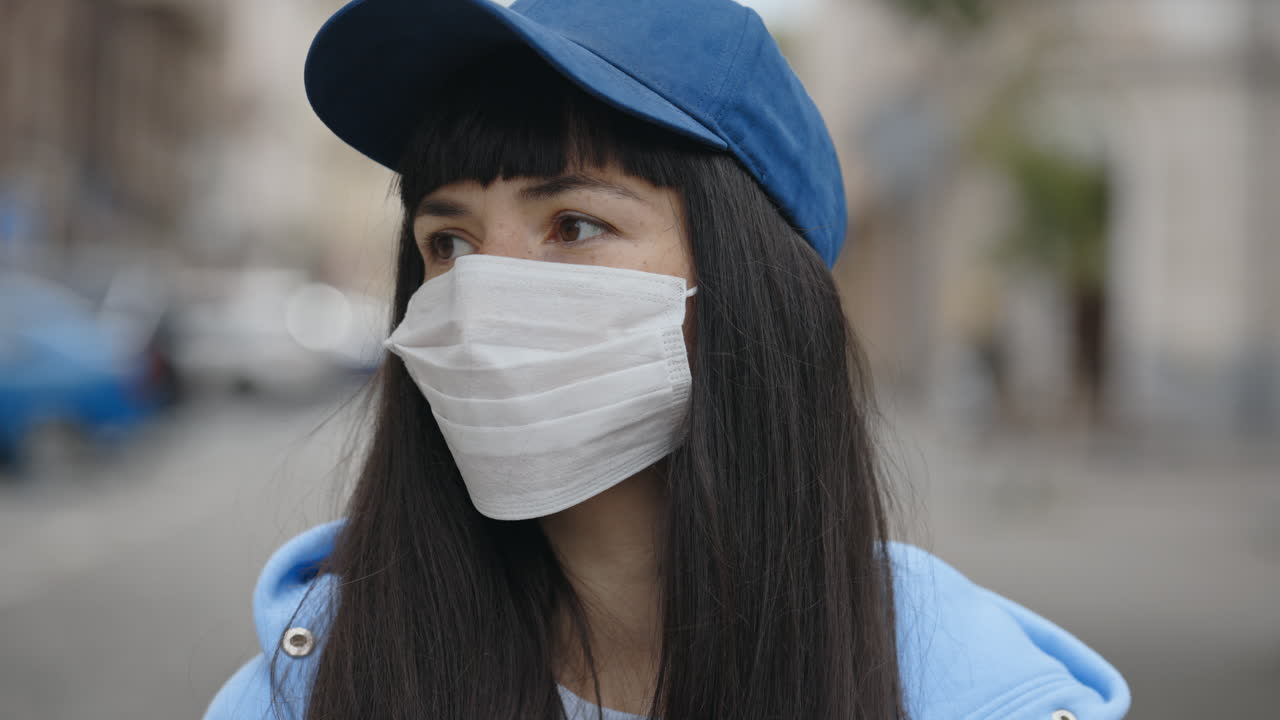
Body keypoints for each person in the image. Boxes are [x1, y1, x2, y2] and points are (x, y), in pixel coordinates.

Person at [205, 0, 1131, 718]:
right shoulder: (311, 689)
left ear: (749, 282)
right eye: (448, 242)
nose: (479, 295)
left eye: (573, 224)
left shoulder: (967, 689)